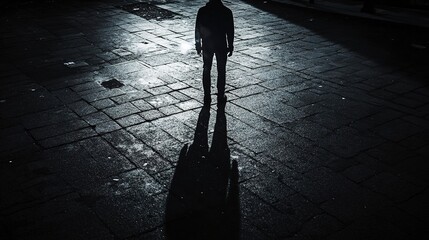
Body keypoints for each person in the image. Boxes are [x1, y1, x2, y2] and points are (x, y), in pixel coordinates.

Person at [195, 0, 234, 105]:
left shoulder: (202, 11)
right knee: (221, 70)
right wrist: (230, 45)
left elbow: (197, 29)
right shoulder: (226, 12)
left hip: (207, 44)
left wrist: (198, 44)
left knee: (206, 69)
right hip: (221, 44)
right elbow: (230, 31)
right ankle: (221, 95)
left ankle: (207, 96)